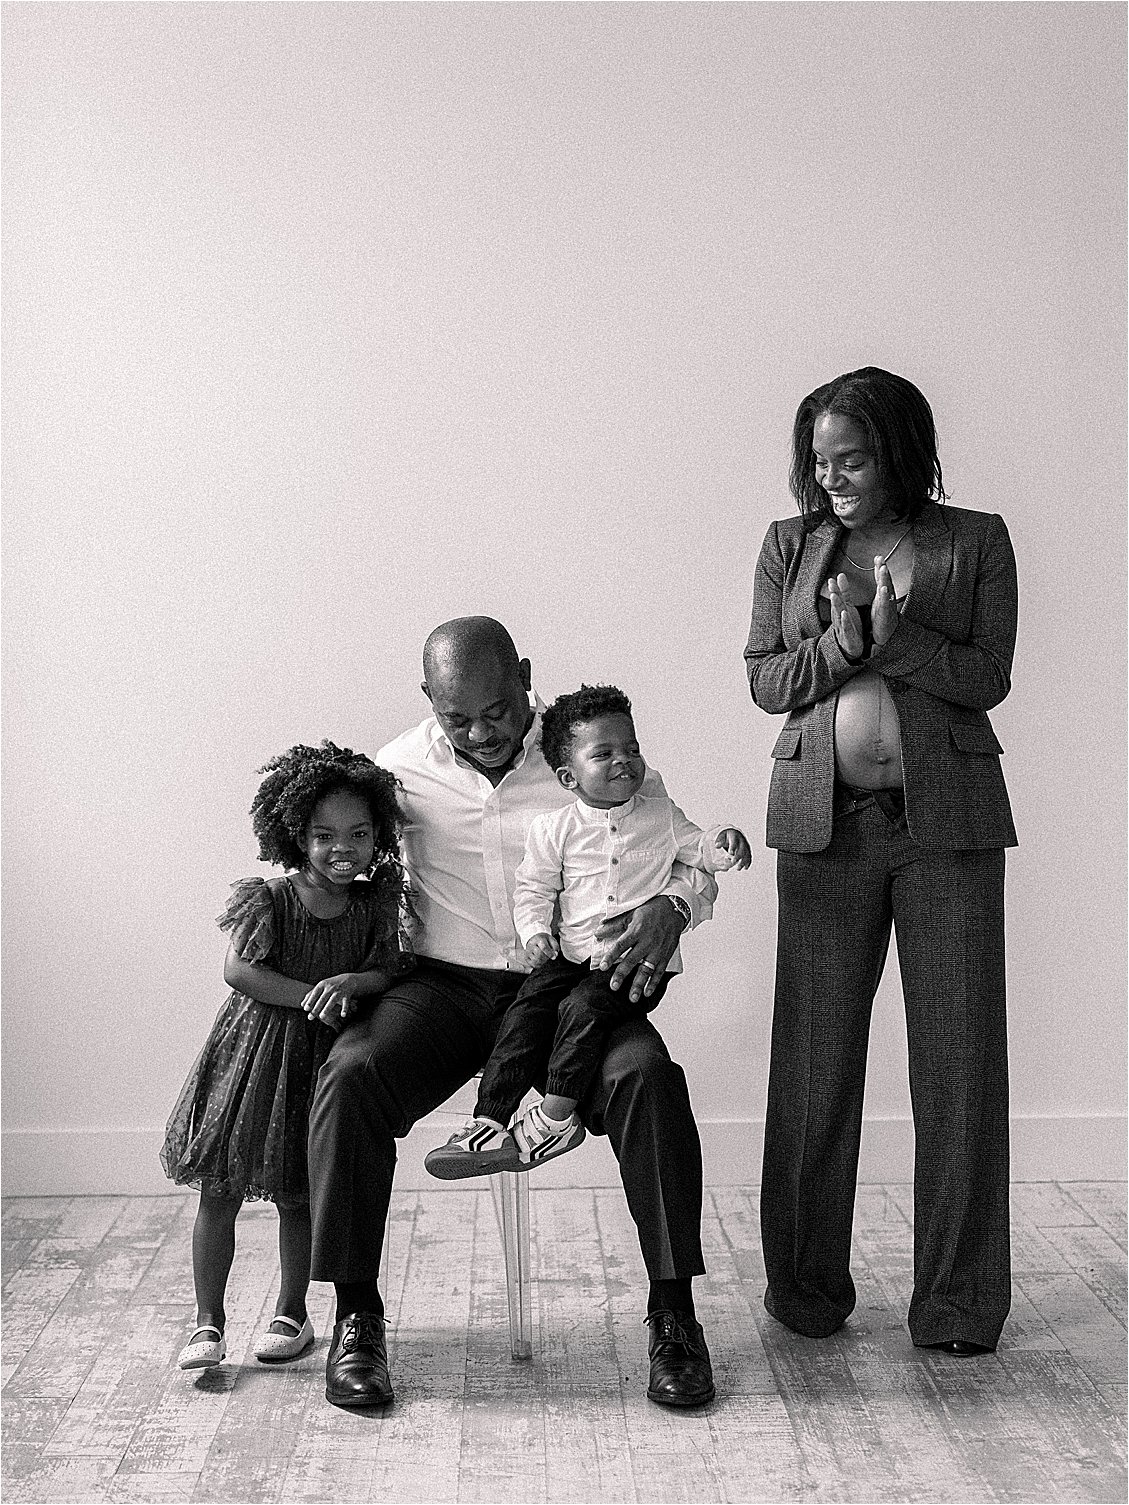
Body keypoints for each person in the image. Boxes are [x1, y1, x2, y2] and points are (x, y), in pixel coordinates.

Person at [308, 619, 721, 1410]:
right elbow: (335, 856)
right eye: (456, 716)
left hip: (567, 989)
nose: (481, 731)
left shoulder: (589, 759)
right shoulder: (393, 772)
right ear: (427, 699)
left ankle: (674, 1316)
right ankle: (355, 1314)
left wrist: (676, 903)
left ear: (526, 677)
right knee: (351, 1074)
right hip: (442, 988)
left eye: (498, 710)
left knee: (647, 1078)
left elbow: (681, 852)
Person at [744, 366, 1018, 1356]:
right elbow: (765, 678)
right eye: (818, 461)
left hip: (946, 826)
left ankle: (956, 1305)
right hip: (822, 825)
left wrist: (897, 642)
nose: (831, 477)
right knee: (813, 1069)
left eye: (850, 458)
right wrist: (844, 642)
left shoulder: (973, 538)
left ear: (901, 450)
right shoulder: (788, 544)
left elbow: (987, 674)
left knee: (958, 1069)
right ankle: (805, 1290)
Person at [424, 682, 751, 1179]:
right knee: (527, 1011)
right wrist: (535, 932)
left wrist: (724, 844)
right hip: (570, 956)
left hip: (632, 967)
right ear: (567, 776)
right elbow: (533, 888)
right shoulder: (554, 829)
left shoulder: (660, 815)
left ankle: (555, 1119)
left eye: (632, 748)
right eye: (604, 754)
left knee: (583, 1008)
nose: (625, 761)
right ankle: (487, 1121)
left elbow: (697, 849)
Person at [161, 742, 409, 1371]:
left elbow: (388, 969)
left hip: (324, 1062)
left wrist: (354, 984)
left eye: (358, 832)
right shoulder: (272, 899)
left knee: (301, 1192)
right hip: (253, 1060)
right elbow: (239, 970)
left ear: (380, 831)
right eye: (324, 835)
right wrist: (312, 997)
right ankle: (207, 1321)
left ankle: (292, 1311)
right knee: (221, 1188)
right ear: (295, 834)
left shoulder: (376, 902)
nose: (342, 848)